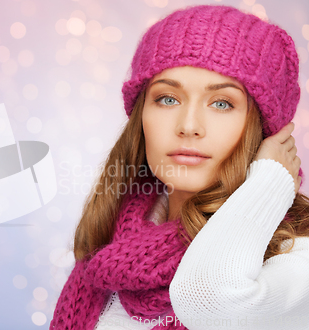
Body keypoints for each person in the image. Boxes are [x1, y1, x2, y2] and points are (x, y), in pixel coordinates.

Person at [49, 4, 309, 330]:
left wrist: (268, 182)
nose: (189, 125)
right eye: (168, 98)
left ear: (265, 130)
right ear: (141, 115)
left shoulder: (296, 257)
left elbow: (213, 303)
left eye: (222, 103)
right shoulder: (109, 248)